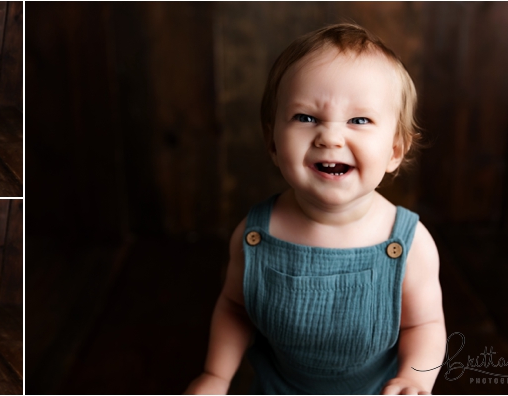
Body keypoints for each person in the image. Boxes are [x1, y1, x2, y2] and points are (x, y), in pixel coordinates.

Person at [185, 23, 445, 395]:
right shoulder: (257, 234)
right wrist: (215, 376)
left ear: (394, 151)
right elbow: (235, 309)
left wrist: (415, 378)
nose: (330, 136)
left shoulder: (408, 244)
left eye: (359, 120)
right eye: (305, 117)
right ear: (273, 142)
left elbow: (425, 326)